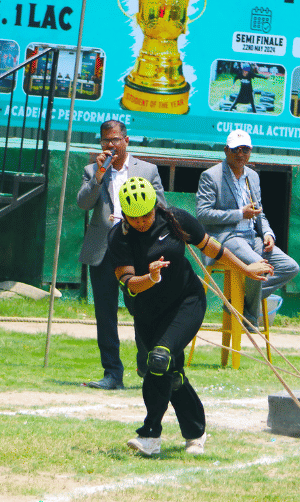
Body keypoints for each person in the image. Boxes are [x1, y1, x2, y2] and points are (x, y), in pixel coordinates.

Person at [109, 177, 273, 456]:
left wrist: (245, 269)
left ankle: (150, 435)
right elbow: (128, 282)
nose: (141, 221)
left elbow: (210, 246)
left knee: (160, 358)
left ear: (155, 207)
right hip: (147, 312)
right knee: (168, 372)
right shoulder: (118, 237)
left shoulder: (175, 219)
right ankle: (196, 432)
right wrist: (150, 277)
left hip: (186, 302)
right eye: (134, 217)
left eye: (146, 214)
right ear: (124, 214)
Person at [77, 120, 166, 390]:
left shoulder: (147, 170)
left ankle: (144, 362)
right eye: (105, 141)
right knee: (105, 314)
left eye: (115, 140)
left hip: (136, 249)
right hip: (103, 248)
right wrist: (99, 176)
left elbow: (161, 206)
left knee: (141, 308)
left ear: (126, 140)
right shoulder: (92, 169)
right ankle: (112, 373)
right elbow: (83, 202)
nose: (110, 145)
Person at [196, 130, 300, 328]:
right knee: (257, 265)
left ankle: (236, 301)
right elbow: (202, 213)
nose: (241, 154)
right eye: (236, 149)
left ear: (250, 151)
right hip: (226, 238)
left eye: (245, 149)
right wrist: (239, 214)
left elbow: (259, 212)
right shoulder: (211, 176)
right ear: (226, 150)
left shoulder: (252, 176)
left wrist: (268, 233)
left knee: (290, 267)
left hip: (253, 237)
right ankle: (250, 317)